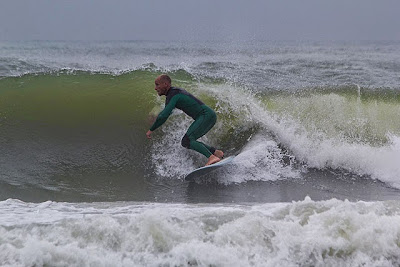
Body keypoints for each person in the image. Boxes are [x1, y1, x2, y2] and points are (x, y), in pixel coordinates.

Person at [146, 74, 224, 166]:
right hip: (209, 115)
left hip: (205, 115)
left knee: (188, 140)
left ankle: (212, 157)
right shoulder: (174, 93)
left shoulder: (173, 94)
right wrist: (157, 117)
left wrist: (151, 129)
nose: (155, 88)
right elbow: (167, 112)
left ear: (165, 84)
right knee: (186, 141)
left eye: (157, 84)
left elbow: (164, 116)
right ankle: (216, 153)